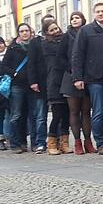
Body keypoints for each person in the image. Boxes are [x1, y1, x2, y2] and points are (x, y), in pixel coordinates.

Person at [72, 2, 103, 155]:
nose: (100, 14)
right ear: (94, 14)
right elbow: (77, 55)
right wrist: (77, 77)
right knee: (98, 112)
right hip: (95, 78)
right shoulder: (86, 31)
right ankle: (101, 143)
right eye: (98, 11)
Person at [32, 20, 70, 155]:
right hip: (54, 81)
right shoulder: (46, 45)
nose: (56, 31)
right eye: (52, 30)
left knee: (66, 115)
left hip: (66, 80)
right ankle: (52, 142)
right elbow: (60, 55)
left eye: (56, 28)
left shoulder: (65, 40)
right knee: (57, 114)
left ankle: (64, 142)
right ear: (47, 33)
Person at [59, 11, 93, 154]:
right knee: (74, 111)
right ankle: (77, 142)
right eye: (72, 18)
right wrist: (73, 70)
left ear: (83, 19)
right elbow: (60, 57)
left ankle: (88, 141)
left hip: (87, 76)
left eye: (77, 17)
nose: (74, 20)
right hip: (70, 77)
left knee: (86, 111)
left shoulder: (87, 33)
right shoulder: (66, 36)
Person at [3, 23, 35, 153]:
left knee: (29, 115)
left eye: (26, 30)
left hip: (32, 85)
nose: (24, 33)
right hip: (17, 86)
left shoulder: (34, 46)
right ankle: (15, 143)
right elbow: (4, 66)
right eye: (22, 31)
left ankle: (24, 141)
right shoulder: (13, 48)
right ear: (18, 33)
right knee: (16, 115)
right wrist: (13, 73)